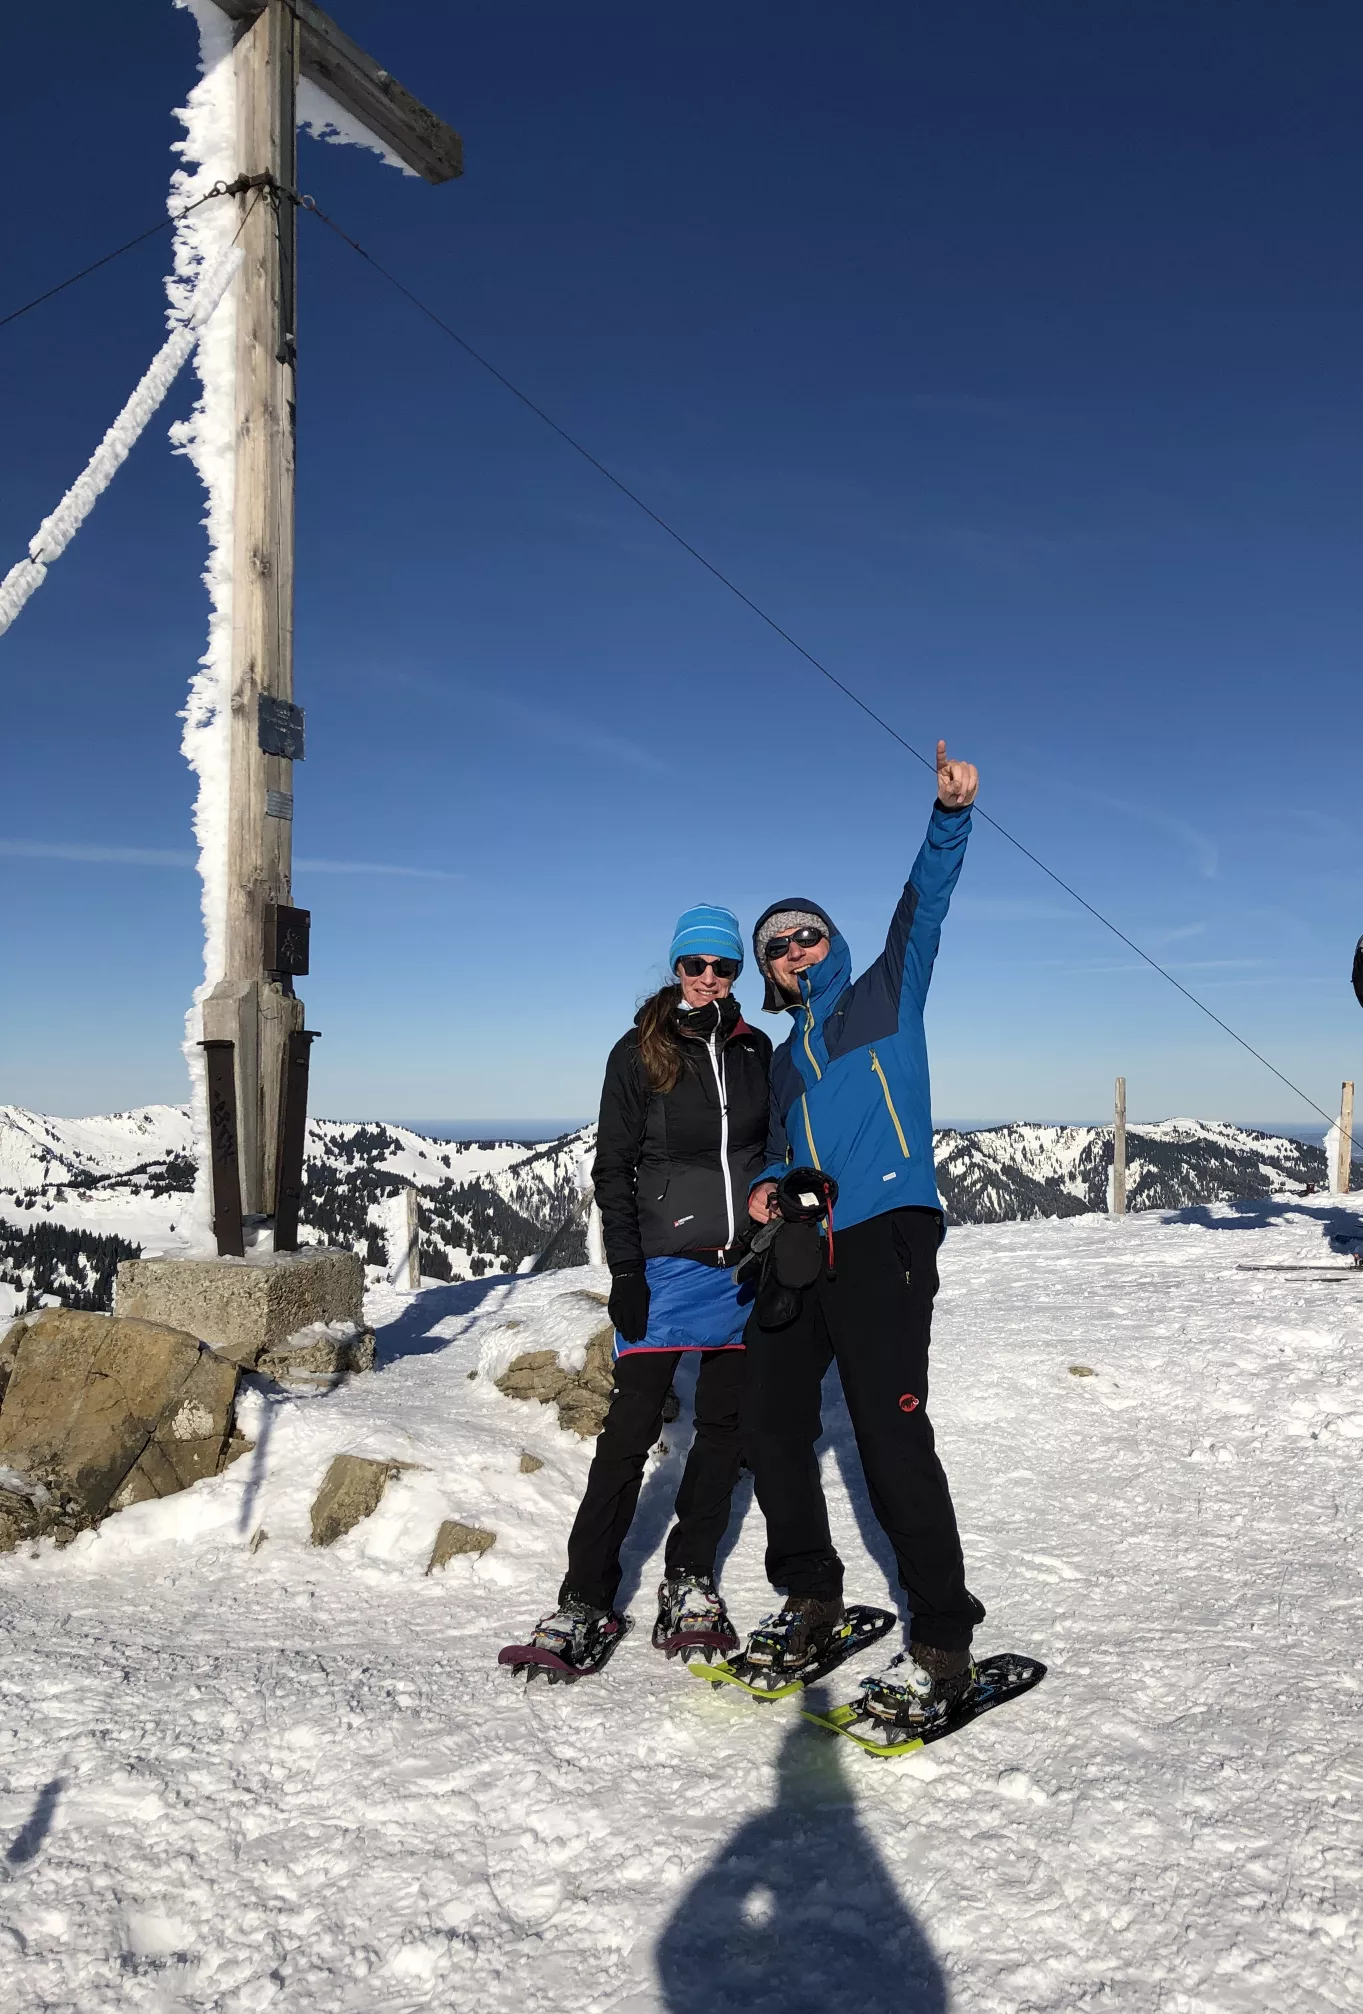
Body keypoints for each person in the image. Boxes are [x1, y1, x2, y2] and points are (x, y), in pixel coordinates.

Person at [736, 740, 985, 1730]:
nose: (794, 952)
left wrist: (949, 816)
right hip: (806, 1250)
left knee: (888, 1434)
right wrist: (766, 1189)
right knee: (769, 1419)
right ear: (769, 973)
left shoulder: (885, 992)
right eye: (777, 949)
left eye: (805, 936)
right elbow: (773, 1150)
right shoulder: (785, 1058)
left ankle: (944, 1640)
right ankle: (809, 1592)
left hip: (887, 1236)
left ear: (829, 942)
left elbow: (923, 904)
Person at [515, 904, 773, 1675]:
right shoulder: (638, 1052)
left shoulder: (754, 1049)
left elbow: (771, 1148)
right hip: (663, 1266)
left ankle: (690, 1576)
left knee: (723, 1431)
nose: (707, 978)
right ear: (677, 967)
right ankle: (584, 1598)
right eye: (695, 965)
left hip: (743, 1267)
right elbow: (613, 1169)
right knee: (627, 1435)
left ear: (736, 972)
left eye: (722, 966)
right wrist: (625, 1271)